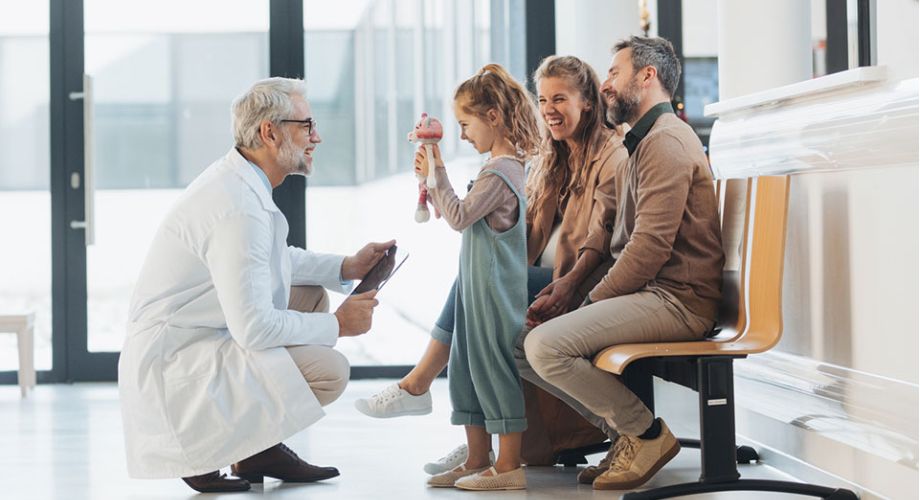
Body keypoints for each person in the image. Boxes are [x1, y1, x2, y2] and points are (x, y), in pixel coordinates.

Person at [118, 77, 393, 493]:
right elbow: (254, 328)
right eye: (306, 125)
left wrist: (347, 265)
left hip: (199, 337)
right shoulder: (237, 207)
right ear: (270, 132)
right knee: (330, 371)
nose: (316, 137)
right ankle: (206, 448)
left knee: (307, 296)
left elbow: (272, 257)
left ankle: (256, 451)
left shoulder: (241, 182)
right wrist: (339, 324)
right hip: (176, 365)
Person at [355, 55, 627, 469]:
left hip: (579, 280)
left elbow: (600, 237)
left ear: (587, 102)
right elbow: (512, 225)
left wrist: (567, 284)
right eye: (543, 100)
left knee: (473, 287)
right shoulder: (552, 156)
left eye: (560, 99)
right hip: (544, 273)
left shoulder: (609, 155)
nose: (549, 109)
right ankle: (472, 437)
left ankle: (425, 388)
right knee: (470, 284)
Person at [515, 36, 725, 491]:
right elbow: (608, 225)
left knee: (544, 346)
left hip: (678, 301)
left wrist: (589, 302)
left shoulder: (665, 142)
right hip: (652, 295)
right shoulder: (639, 141)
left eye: (614, 72)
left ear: (647, 77)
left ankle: (645, 435)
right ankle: (623, 434)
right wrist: (569, 287)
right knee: (519, 343)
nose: (606, 83)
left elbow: (648, 248)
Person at [410, 63, 540, 491]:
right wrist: (434, 178)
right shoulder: (495, 168)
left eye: (466, 124)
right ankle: (477, 458)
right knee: (465, 371)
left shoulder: (502, 172)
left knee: (492, 371)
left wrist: (438, 174)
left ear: (493, 117)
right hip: (475, 290)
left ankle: (509, 466)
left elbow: (460, 217)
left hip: (493, 292)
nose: (463, 135)